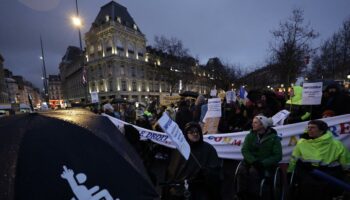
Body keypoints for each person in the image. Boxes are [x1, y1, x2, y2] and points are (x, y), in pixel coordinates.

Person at [287, 120, 350, 200]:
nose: (309, 129)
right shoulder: (301, 143)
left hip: (328, 174)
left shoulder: (336, 144)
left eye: (312, 128)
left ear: (322, 130)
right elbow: (294, 158)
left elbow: (345, 162)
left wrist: (346, 171)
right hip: (308, 172)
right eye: (308, 127)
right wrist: (290, 171)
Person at [162, 122, 221, 200]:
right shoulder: (180, 149)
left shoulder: (208, 149)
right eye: (192, 132)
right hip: (181, 189)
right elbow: (172, 170)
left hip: (201, 188)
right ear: (186, 133)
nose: (195, 134)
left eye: (197, 131)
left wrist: (207, 172)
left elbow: (216, 170)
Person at [236, 115, 282, 200]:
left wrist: (263, 163)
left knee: (253, 172)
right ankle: (241, 194)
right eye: (253, 122)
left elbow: (278, 156)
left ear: (262, 125)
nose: (253, 124)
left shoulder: (274, 138)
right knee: (242, 170)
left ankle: (253, 196)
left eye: (255, 123)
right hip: (251, 162)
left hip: (265, 164)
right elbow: (245, 150)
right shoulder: (250, 136)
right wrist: (253, 161)